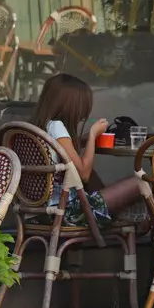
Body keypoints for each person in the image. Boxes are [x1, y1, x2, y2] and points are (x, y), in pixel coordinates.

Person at [30, 72, 142, 223]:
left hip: (41, 212)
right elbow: (83, 174)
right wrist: (92, 136)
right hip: (68, 213)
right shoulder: (57, 126)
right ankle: (139, 227)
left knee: (96, 180)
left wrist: (82, 140)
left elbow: (64, 152)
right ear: (71, 105)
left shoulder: (37, 127)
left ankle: (116, 220)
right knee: (141, 182)